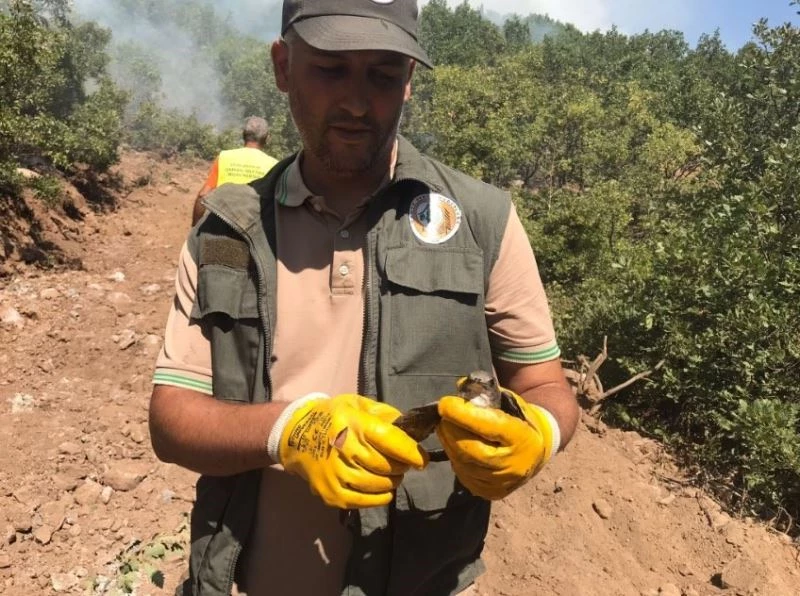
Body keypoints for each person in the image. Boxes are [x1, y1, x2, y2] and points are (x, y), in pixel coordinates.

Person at [149, 0, 580, 595]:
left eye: (382, 74)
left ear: (408, 83)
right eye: (330, 69)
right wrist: (291, 431)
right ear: (282, 66)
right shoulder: (226, 232)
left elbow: (546, 386)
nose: (356, 102)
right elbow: (172, 421)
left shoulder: (483, 220)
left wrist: (540, 434)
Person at [190, 116, 278, 225]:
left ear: (243, 134)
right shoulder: (274, 165)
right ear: (267, 138)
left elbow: (203, 195)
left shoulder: (224, 157)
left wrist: (194, 227)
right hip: (253, 231)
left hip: (219, 224)